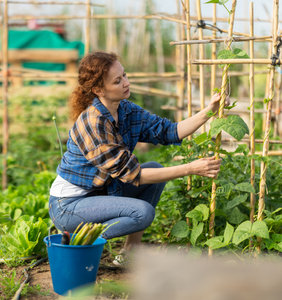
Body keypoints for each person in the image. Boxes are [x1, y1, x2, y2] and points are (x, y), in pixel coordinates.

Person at [48, 51, 224, 263]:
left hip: (99, 193)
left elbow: (169, 131)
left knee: (155, 168)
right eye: (117, 81)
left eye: (124, 75)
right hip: (68, 205)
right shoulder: (92, 123)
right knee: (143, 213)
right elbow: (133, 175)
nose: (125, 83)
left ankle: (128, 253)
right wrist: (190, 168)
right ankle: (77, 242)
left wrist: (209, 110)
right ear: (98, 89)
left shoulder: (126, 111)